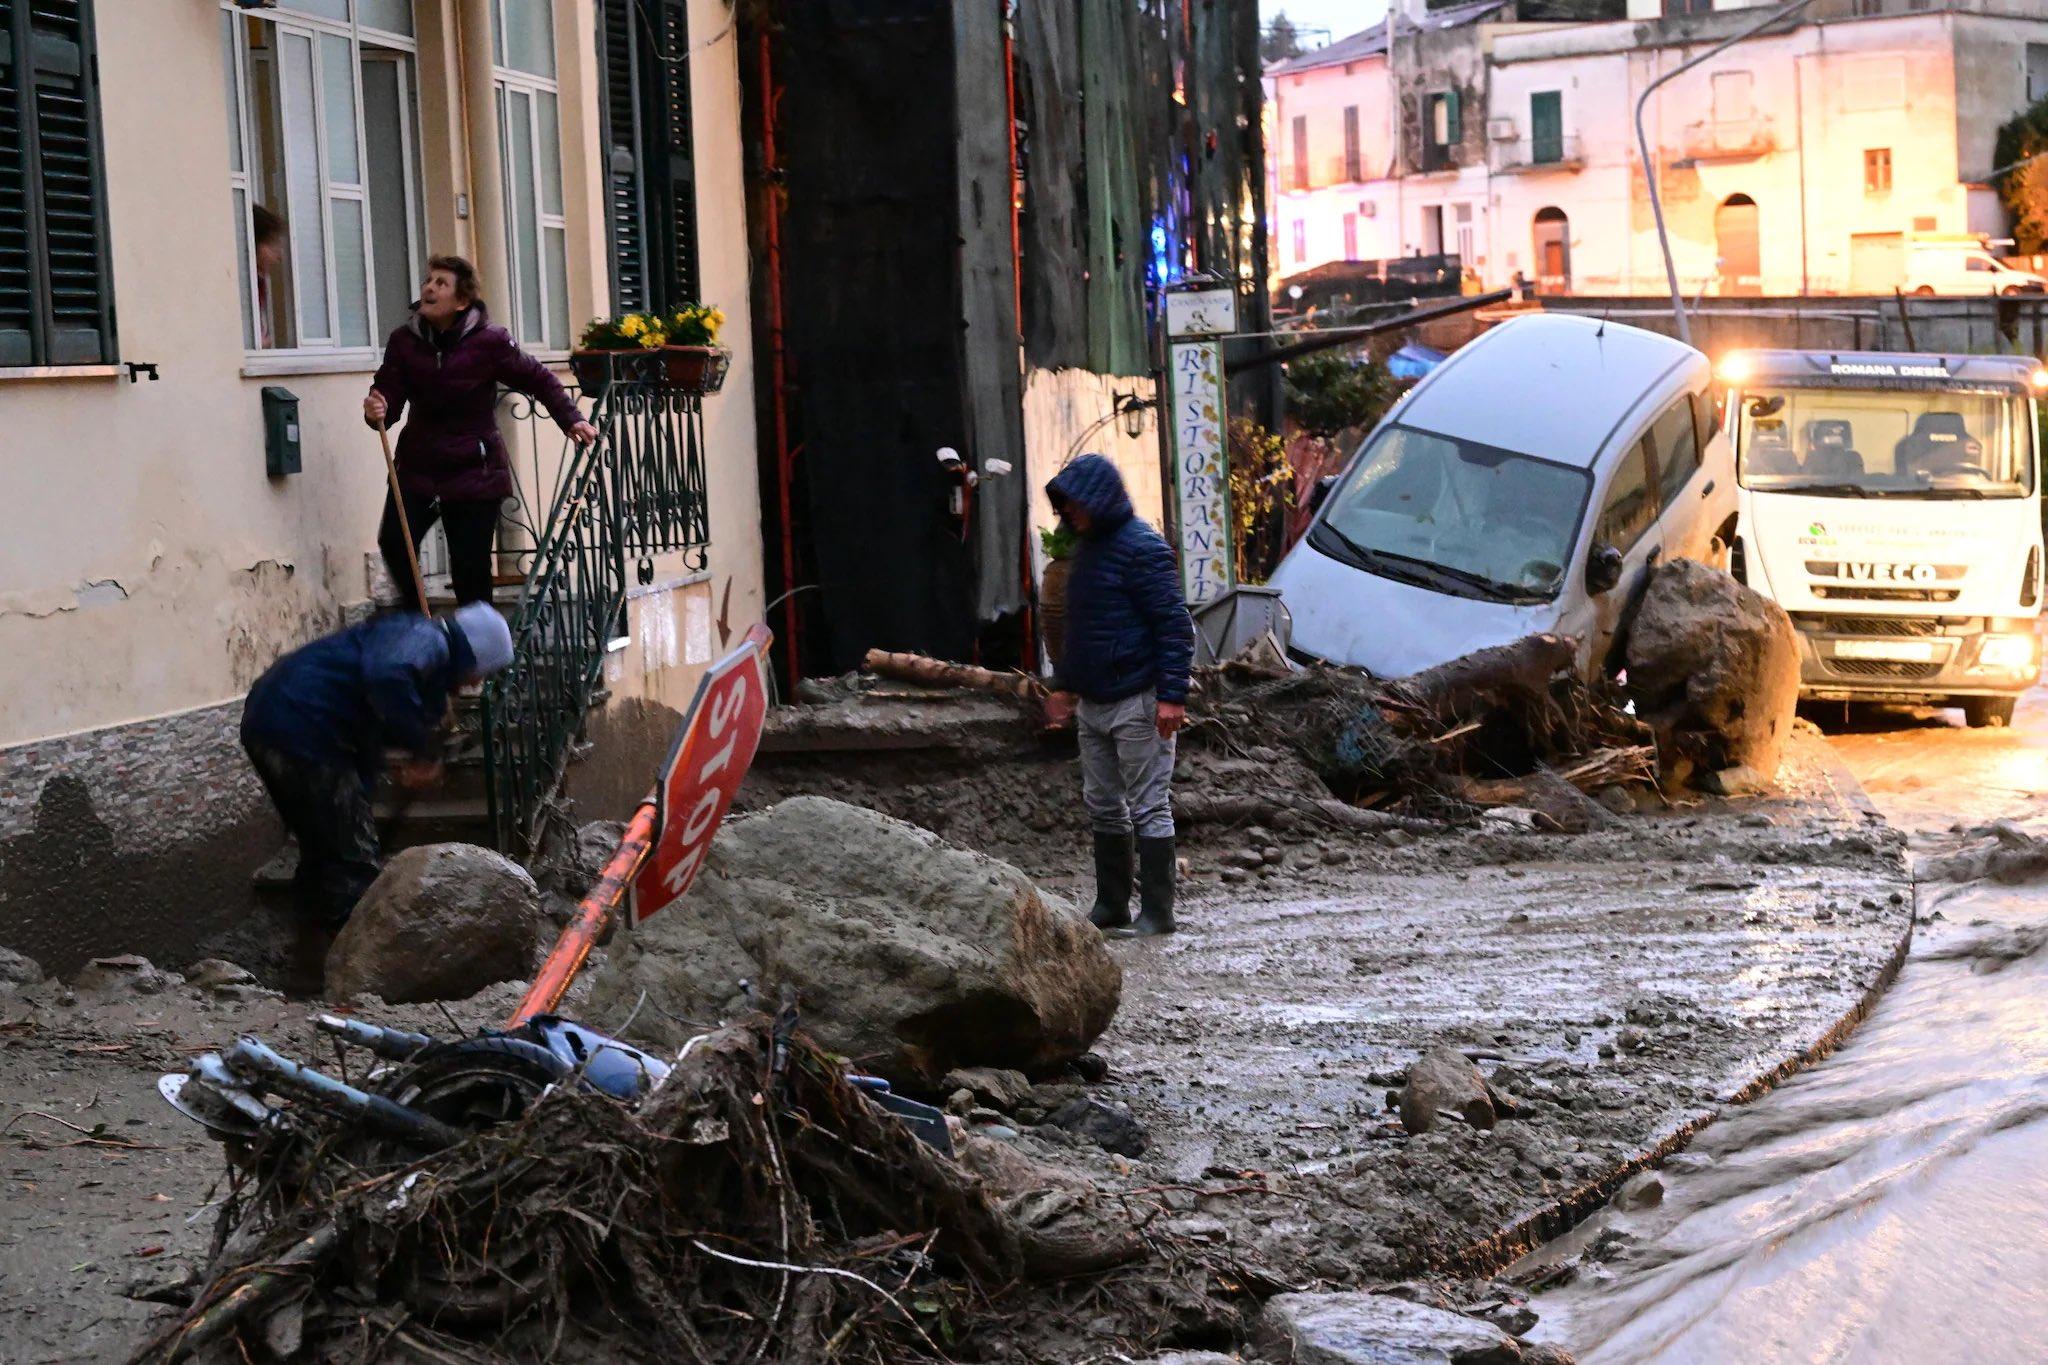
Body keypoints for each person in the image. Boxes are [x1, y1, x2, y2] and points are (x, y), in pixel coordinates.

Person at [240, 603, 515, 930]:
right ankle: (356, 957)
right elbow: (387, 677)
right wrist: (423, 751)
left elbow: (370, 722)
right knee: (351, 859)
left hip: (273, 721)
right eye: (482, 671)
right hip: (304, 727)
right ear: (474, 653)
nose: (475, 683)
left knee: (322, 847)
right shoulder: (426, 638)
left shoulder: (409, 643)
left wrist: (375, 787)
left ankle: (311, 942)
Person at [363, 256, 598, 609]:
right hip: (418, 465)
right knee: (395, 544)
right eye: (429, 280)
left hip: (475, 470)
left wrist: (572, 419)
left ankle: (480, 654)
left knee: (469, 572)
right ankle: (419, 621)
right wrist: (377, 408)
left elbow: (538, 379)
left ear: (461, 302)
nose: (429, 287)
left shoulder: (491, 341)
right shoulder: (404, 341)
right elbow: (389, 392)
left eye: (441, 283)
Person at [1042, 453, 1196, 937]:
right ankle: (1111, 904)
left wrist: (1172, 696)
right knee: (1103, 803)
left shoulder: (1142, 549)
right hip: (1096, 701)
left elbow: (1174, 626)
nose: (1066, 514)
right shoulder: (1087, 553)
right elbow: (1079, 631)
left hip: (1139, 697)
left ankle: (1157, 913)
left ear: (1096, 500)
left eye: (1072, 504)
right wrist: (1064, 686)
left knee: (1149, 802)